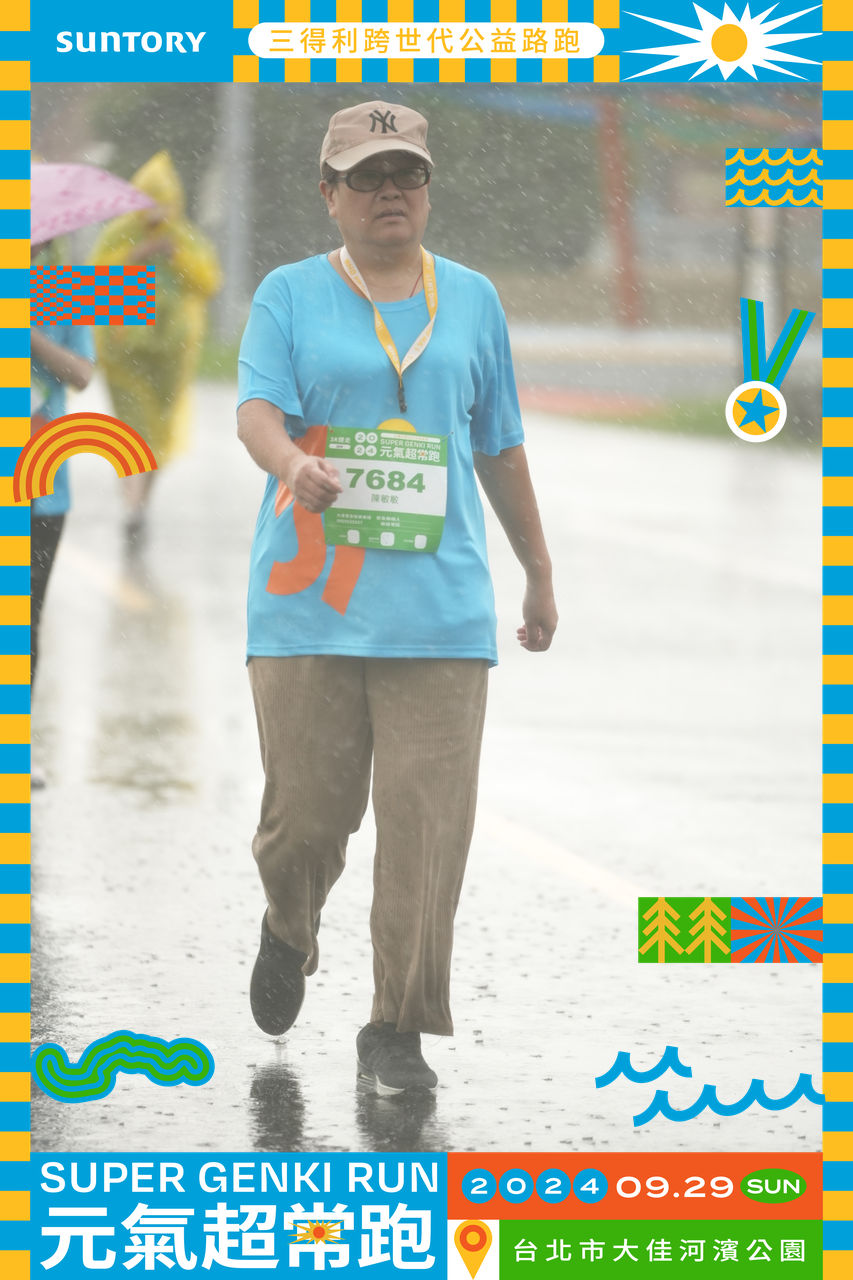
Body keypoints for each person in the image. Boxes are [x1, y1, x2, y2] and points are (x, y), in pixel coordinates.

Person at [236, 100, 557, 1095]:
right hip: (309, 601)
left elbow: (500, 442)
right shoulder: (290, 294)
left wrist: (538, 570)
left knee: (425, 831)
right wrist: (292, 463)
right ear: (329, 194)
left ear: (427, 188)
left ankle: (396, 1024)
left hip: (440, 612)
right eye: (366, 176)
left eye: (406, 173)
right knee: (304, 820)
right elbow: (255, 411)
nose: (389, 191)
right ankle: (289, 923)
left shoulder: (473, 299)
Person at [92, 151, 221, 539]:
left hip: (170, 357)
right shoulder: (118, 233)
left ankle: (139, 503)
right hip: (123, 356)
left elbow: (209, 282)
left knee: (157, 436)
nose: (154, 212)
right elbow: (88, 286)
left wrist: (175, 256)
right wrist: (137, 257)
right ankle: (132, 502)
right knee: (132, 430)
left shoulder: (185, 237)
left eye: (161, 203)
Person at [30, 242, 95, 786]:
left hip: (42, 485)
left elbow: (82, 373)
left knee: (24, 617)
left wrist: (29, 336)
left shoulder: (67, 296)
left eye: (40, 245)